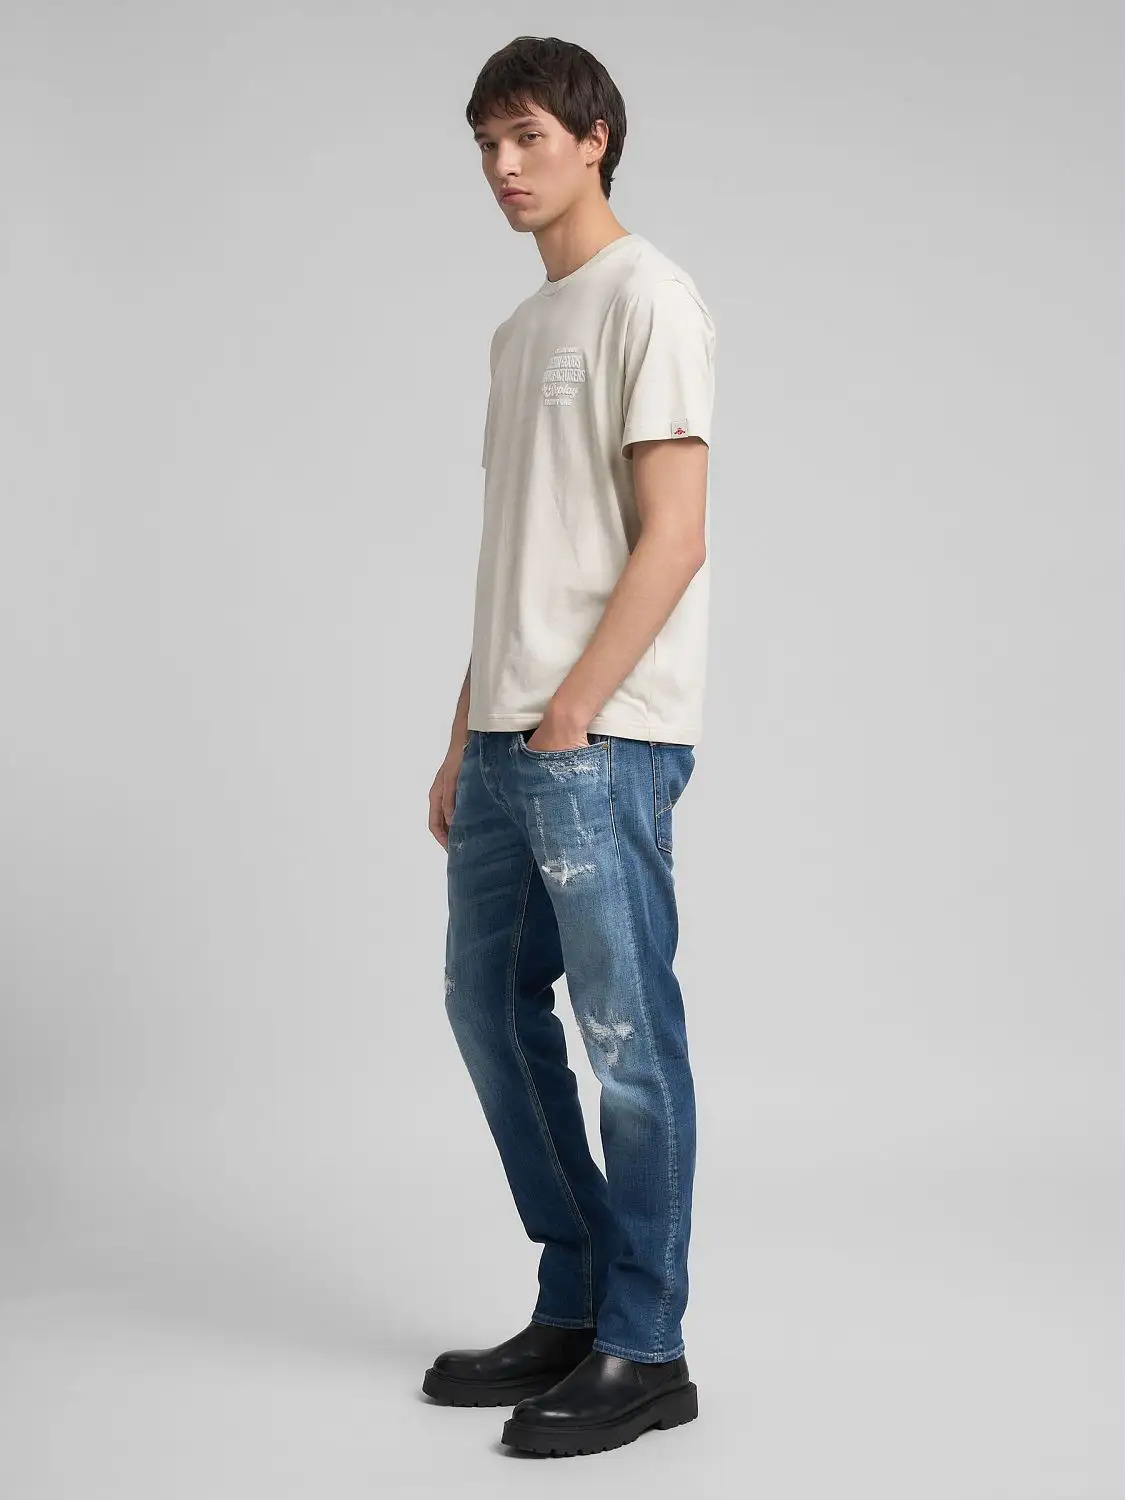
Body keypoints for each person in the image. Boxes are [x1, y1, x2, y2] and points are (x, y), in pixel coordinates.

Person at [423, 35, 716, 1458]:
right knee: (487, 1010)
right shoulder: (517, 332)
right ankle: (577, 1296)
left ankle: (646, 1350)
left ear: (595, 137)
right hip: (508, 734)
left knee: (628, 1044)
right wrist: (463, 734)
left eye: (528, 135)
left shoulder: (649, 297)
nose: (503, 165)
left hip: (596, 739)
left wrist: (571, 710)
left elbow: (675, 535)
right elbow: (520, 559)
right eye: (486, 143)